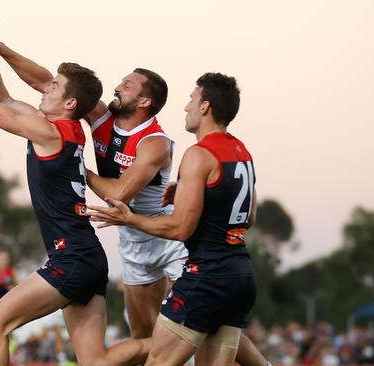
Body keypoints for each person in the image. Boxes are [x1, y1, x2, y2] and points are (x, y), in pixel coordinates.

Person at [0, 18, 269, 366]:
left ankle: (262, 363)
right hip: (131, 241)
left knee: (199, 319)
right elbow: (45, 82)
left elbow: (119, 194)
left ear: (144, 100)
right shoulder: (101, 118)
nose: (117, 86)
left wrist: (77, 169)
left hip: (168, 238)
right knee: (146, 336)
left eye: (127, 85)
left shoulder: (155, 142)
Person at [0, 1, 148, 364]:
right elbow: (0, 97)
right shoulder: (65, 127)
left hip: (74, 257)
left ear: (70, 102)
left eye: (55, 87)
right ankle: (170, 345)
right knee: (95, 361)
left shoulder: (49, 133)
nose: (45, 89)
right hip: (88, 256)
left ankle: (174, 344)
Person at [87, 73, 258, 366]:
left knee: (156, 360)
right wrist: (192, 195)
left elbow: (180, 228)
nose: (186, 107)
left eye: (192, 99)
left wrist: (131, 220)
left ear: (205, 107)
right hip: (240, 274)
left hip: (206, 276)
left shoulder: (199, 154)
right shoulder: (242, 151)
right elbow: (248, 217)